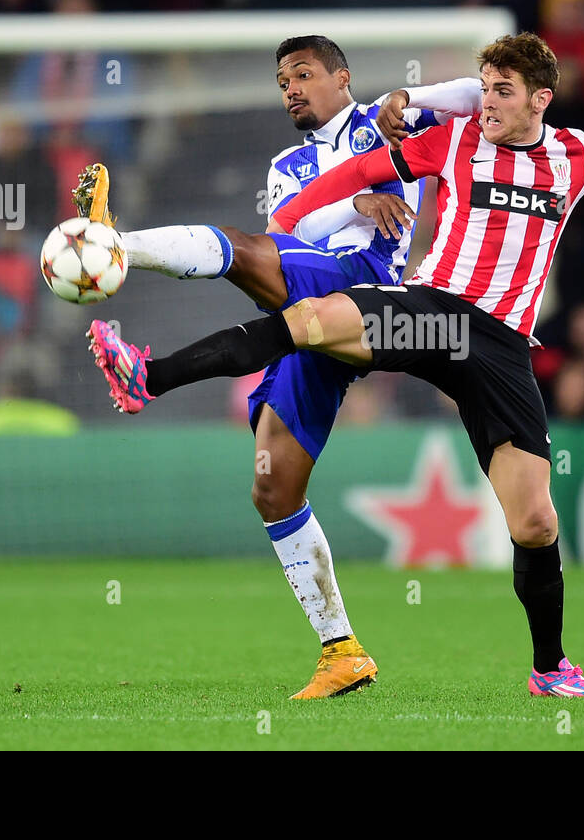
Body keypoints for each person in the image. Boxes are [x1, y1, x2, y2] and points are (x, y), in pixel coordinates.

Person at [90, 32, 584, 698]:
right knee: (306, 324)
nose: (486, 102)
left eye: (502, 91)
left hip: (503, 347)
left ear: (541, 98)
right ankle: (148, 376)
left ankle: (550, 668)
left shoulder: (578, 155)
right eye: (482, 88)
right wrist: (294, 213)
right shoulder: (453, 141)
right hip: (434, 312)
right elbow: (364, 171)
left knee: (536, 522)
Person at [81, 35, 479, 699]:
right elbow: (296, 229)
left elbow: (474, 95)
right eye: (281, 80)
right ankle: (342, 651)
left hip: (366, 286)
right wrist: (354, 202)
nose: (291, 87)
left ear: (342, 77)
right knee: (274, 488)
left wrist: (413, 97)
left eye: (303, 74)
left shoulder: (385, 120)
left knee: (244, 251)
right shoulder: (286, 165)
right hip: (316, 302)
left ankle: (112, 244)